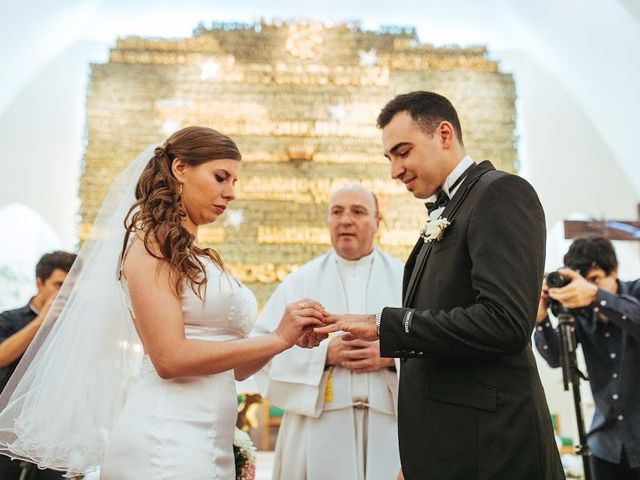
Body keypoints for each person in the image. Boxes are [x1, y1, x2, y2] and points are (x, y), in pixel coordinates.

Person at [0, 126, 325, 479]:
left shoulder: (200, 257)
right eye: (220, 177)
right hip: (166, 434)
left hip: (210, 437)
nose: (230, 193)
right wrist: (277, 337)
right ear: (180, 169)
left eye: (234, 182)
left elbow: (238, 367)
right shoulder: (150, 244)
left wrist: (286, 338)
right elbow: (169, 358)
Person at [316, 91, 565, 479]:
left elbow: (506, 323)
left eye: (403, 152)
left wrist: (386, 325)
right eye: (390, 158)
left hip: (493, 452)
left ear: (444, 134)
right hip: (452, 450)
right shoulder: (451, 208)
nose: (395, 170)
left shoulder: (499, 193)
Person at [253, 184, 403, 480]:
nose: (346, 220)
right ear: (328, 222)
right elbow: (263, 354)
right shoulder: (299, 282)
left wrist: (391, 356)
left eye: (358, 212)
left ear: (377, 222)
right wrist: (323, 355)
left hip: (392, 425)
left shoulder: (406, 278)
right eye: (337, 212)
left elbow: (435, 342)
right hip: (317, 425)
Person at [535, 236, 640, 479]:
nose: (589, 287)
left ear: (613, 270)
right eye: (585, 281)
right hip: (605, 446)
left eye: (595, 279)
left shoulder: (635, 291)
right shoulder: (579, 313)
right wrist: (541, 319)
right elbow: (557, 359)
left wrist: (595, 295)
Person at [0, 250, 76, 479]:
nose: (66, 292)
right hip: (6, 430)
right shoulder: (9, 319)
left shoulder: (74, 327)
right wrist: (41, 322)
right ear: (39, 283)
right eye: (58, 284)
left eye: (72, 286)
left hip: (52, 434)